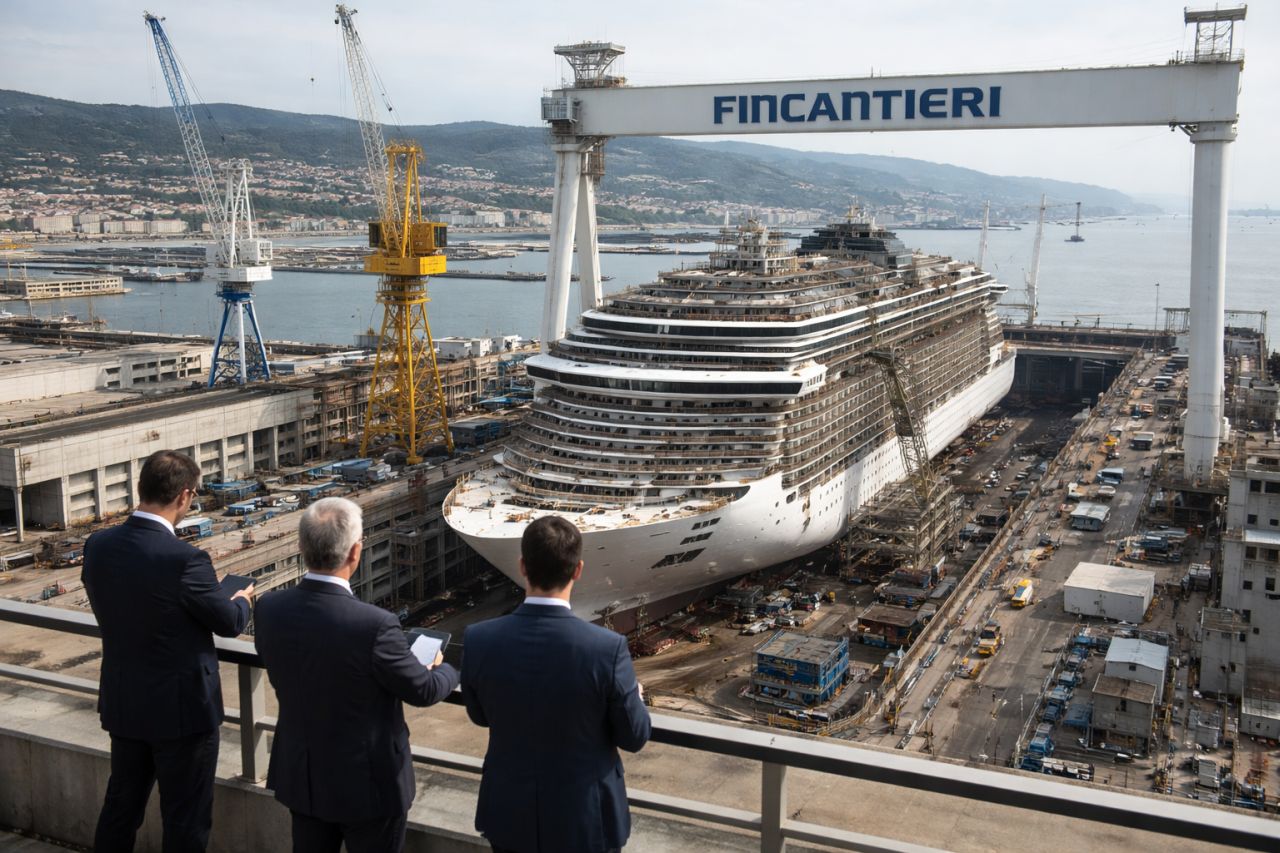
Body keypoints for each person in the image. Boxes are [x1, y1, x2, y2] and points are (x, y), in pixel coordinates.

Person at [254, 497, 460, 853]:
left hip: (303, 775)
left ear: (301, 547)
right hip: (369, 784)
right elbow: (423, 690)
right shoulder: (374, 624)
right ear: (356, 552)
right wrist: (447, 669)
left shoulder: (270, 609)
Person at [82, 449, 254, 853]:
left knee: (120, 808)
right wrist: (242, 600)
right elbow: (228, 623)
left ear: (141, 488)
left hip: (125, 701)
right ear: (184, 496)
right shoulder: (185, 559)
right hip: (182, 712)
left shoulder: (99, 544)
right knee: (185, 820)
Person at [462, 516, 651, 853]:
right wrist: (632, 697)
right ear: (578, 570)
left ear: (522, 566)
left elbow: (479, 716)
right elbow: (634, 737)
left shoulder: (479, 638)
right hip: (585, 820)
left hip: (509, 814)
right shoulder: (607, 648)